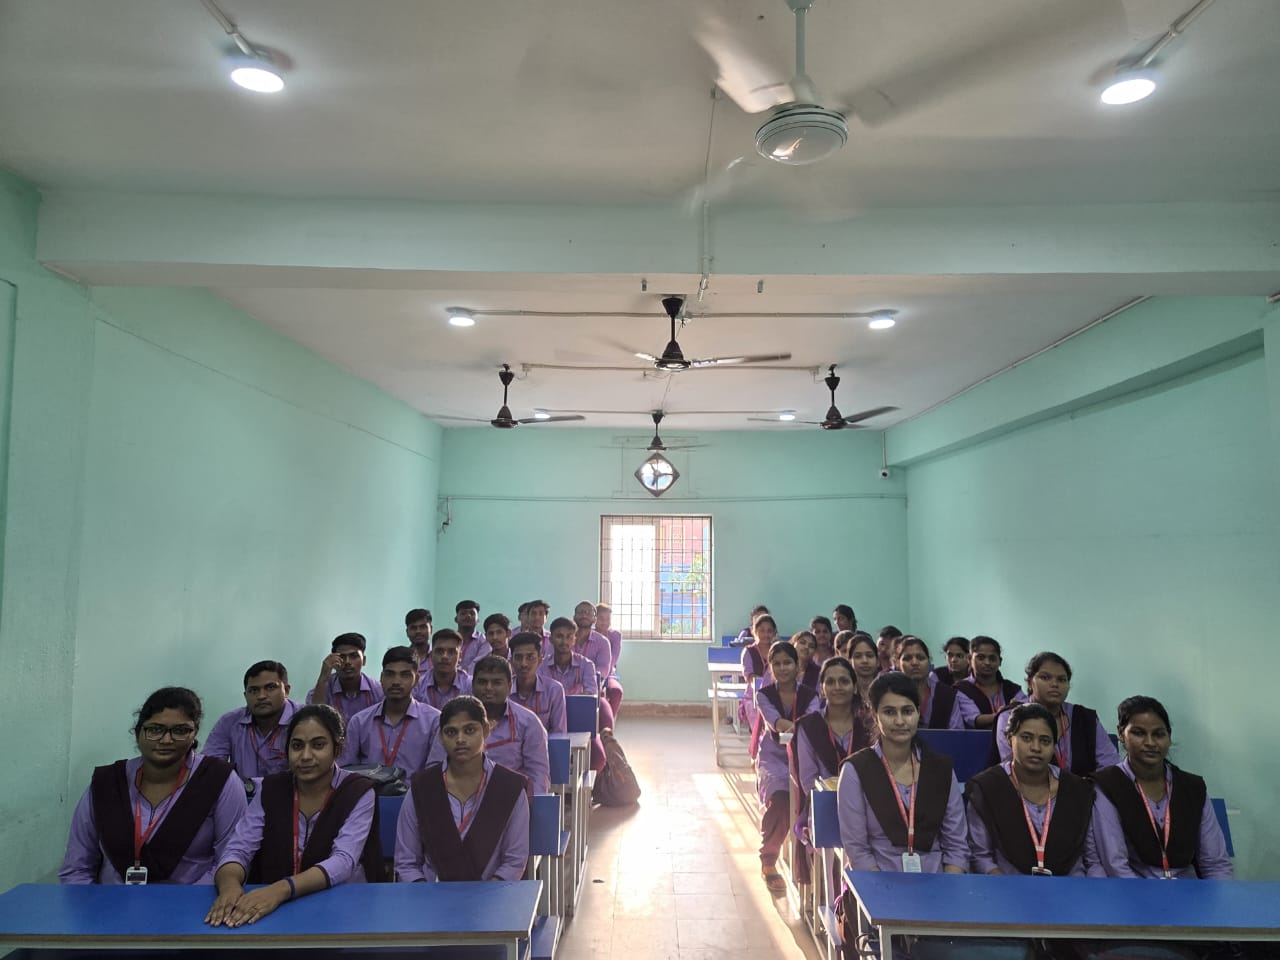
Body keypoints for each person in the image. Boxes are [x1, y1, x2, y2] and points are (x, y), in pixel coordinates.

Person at [206, 705, 384, 927]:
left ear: (337, 749)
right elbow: (239, 848)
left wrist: (281, 890)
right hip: (275, 905)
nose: (305, 756)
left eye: (318, 745)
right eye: (297, 746)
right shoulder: (271, 789)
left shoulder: (357, 790)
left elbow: (344, 860)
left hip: (340, 902)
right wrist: (229, 886)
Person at [60, 687, 246, 885]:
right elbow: (77, 869)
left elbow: (230, 860)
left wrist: (187, 902)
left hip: (193, 901)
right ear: (138, 732)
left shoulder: (219, 780)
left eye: (180, 731)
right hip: (109, 901)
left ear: (194, 733)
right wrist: (94, 904)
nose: (166, 740)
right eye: (155, 729)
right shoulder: (107, 783)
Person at [836, 671, 969, 874]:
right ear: (874, 715)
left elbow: (956, 846)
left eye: (907, 711)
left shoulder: (940, 769)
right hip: (878, 882)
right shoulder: (856, 770)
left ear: (918, 713)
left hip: (938, 882)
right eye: (889, 712)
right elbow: (858, 851)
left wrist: (948, 886)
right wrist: (883, 893)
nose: (900, 721)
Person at [1089, 696, 1232, 880]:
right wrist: (1147, 898)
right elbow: (1115, 865)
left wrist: (1219, 896)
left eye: (1159, 734)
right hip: (1133, 890)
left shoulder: (1192, 788)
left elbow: (1215, 864)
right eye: (1139, 733)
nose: (1150, 742)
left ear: (1169, 737)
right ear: (1121, 734)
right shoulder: (1108, 785)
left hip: (1189, 891)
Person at [394, 696, 530, 882]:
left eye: (469, 730)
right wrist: (425, 896)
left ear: (486, 730)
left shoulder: (509, 787)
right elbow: (406, 863)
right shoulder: (422, 788)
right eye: (451, 732)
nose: (460, 739)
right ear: (441, 737)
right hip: (431, 894)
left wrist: (488, 896)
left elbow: (514, 862)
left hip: (492, 894)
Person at [965, 703, 1094, 876]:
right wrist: (1010, 888)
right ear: (1009, 738)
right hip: (1005, 886)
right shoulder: (987, 787)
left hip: (1071, 887)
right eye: (1026, 738)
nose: (1036, 748)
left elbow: (1090, 858)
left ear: (1054, 745)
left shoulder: (1077, 790)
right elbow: (981, 857)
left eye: (1045, 741)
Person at [794, 657, 872, 888]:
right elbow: (808, 779)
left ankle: (854, 894)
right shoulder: (808, 725)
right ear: (822, 687)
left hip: (866, 803)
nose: (837, 687)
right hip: (824, 803)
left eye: (844, 681)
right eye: (830, 681)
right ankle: (838, 896)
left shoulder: (868, 723)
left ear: (855, 686)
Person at [754, 639, 820, 894]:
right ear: (770, 667)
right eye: (777, 663)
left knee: (815, 799)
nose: (782, 668)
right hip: (775, 757)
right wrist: (798, 726)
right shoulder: (764, 695)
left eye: (788, 663)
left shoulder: (810, 694)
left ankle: (812, 863)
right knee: (781, 798)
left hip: (805, 756)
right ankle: (768, 859)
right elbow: (777, 723)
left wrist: (799, 728)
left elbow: (812, 721)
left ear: (797, 665)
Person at [430, 655, 550, 793]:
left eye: (496, 683)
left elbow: (538, 775)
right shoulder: (452, 718)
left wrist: (526, 803)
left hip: (510, 798)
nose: (488, 688)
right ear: (472, 685)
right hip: (458, 796)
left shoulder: (529, 722)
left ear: (510, 686)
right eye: (482, 682)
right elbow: (435, 766)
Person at [993, 652, 1120, 776]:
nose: (1055, 684)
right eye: (1045, 677)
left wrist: (1088, 787)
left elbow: (1110, 764)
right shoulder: (1010, 716)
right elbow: (1013, 768)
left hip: (1084, 787)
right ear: (1030, 682)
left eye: (1062, 679)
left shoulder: (1084, 718)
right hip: (1029, 788)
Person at [340, 646, 441, 772]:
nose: (396, 682)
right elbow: (346, 769)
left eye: (405, 675)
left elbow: (435, 772)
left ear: (416, 680)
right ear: (381, 678)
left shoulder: (434, 721)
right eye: (390, 674)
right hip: (368, 785)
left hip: (413, 785)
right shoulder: (359, 722)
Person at [204, 661, 299, 782]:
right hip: (243, 792)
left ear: (286, 690)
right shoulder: (230, 721)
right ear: (245, 695)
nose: (261, 696)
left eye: (270, 687)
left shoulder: (305, 718)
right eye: (254, 690)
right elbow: (209, 768)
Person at [540, 617, 607, 771]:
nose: (564, 641)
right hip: (549, 724)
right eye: (559, 636)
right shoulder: (542, 666)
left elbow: (590, 694)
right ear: (551, 639)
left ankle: (590, 786)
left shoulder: (586, 665)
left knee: (598, 758)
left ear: (574, 639)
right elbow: (540, 697)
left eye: (569, 636)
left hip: (578, 723)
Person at [307, 632, 383, 725]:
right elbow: (314, 719)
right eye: (342, 657)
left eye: (354, 656)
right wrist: (323, 676)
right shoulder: (323, 689)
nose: (347, 662)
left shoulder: (378, 691)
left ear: (364, 660)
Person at [896, 635, 965, 730]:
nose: (915, 663)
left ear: (929, 662)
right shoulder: (890, 694)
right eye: (907, 658)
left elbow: (956, 733)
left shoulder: (947, 695)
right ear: (897, 663)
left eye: (920, 658)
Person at [954, 635, 1022, 730]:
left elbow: (1026, 711)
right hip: (975, 738)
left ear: (1000, 661)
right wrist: (1005, 713)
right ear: (969, 659)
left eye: (992, 658)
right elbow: (975, 720)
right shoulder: (961, 689)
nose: (987, 663)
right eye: (981, 658)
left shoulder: (1012, 688)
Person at [509, 631, 567, 733]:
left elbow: (559, 733)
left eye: (530, 658)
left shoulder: (554, 690)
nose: (524, 664)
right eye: (518, 658)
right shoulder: (504, 691)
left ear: (540, 660)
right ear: (511, 661)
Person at [413, 629, 473, 709]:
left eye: (451, 652)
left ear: (460, 657)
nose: (445, 656)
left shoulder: (470, 685)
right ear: (431, 655)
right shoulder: (417, 686)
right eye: (439, 651)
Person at [740, 613, 777, 739]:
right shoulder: (748, 651)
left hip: (775, 695)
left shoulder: (777, 651)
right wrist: (761, 688)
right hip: (753, 696)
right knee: (759, 731)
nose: (766, 634)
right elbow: (749, 676)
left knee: (773, 730)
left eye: (769, 631)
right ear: (754, 632)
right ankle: (758, 747)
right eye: (762, 630)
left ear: (774, 633)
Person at [571, 600, 612, 693]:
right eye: (580, 612)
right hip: (565, 689)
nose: (584, 615)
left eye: (588, 613)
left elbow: (603, 670)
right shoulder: (565, 639)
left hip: (591, 689)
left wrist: (584, 682)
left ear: (595, 619)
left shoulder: (603, 642)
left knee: (604, 704)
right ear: (574, 617)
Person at [596, 601, 625, 719]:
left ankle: (608, 721)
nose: (605, 622)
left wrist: (604, 676)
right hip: (591, 674)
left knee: (617, 691)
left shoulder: (615, 635)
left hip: (609, 675)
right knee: (597, 694)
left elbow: (613, 659)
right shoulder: (589, 634)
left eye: (608, 619)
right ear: (594, 619)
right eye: (601, 618)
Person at [454, 600, 491, 673]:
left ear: (478, 620)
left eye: (472, 613)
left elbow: (477, 665)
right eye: (463, 613)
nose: (468, 616)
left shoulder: (484, 641)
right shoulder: (449, 639)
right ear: (456, 619)